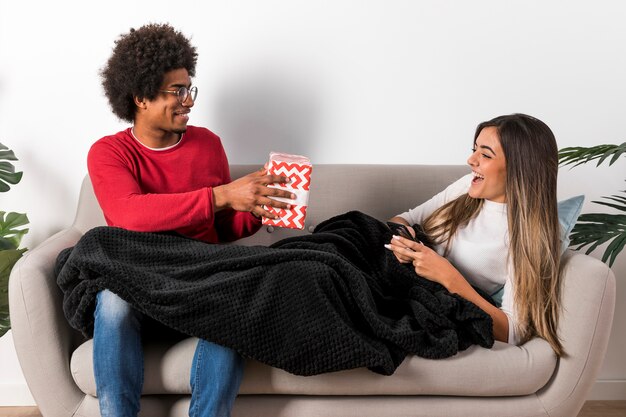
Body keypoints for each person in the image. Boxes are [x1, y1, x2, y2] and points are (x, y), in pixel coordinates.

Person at [88, 23, 295, 417]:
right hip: (140, 281)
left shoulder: (208, 145)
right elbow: (128, 214)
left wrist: (253, 214)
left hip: (199, 284)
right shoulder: (108, 152)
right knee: (111, 300)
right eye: (176, 91)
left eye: (189, 89)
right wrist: (222, 196)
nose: (188, 100)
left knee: (236, 306)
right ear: (140, 97)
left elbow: (218, 230)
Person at [386, 113, 564, 356]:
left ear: (519, 167)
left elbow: (512, 332)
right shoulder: (467, 186)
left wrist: (448, 276)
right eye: (474, 149)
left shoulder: (528, 238)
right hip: (391, 275)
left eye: (485, 154)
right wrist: (402, 237)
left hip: (423, 301)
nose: (471, 160)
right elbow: (405, 219)